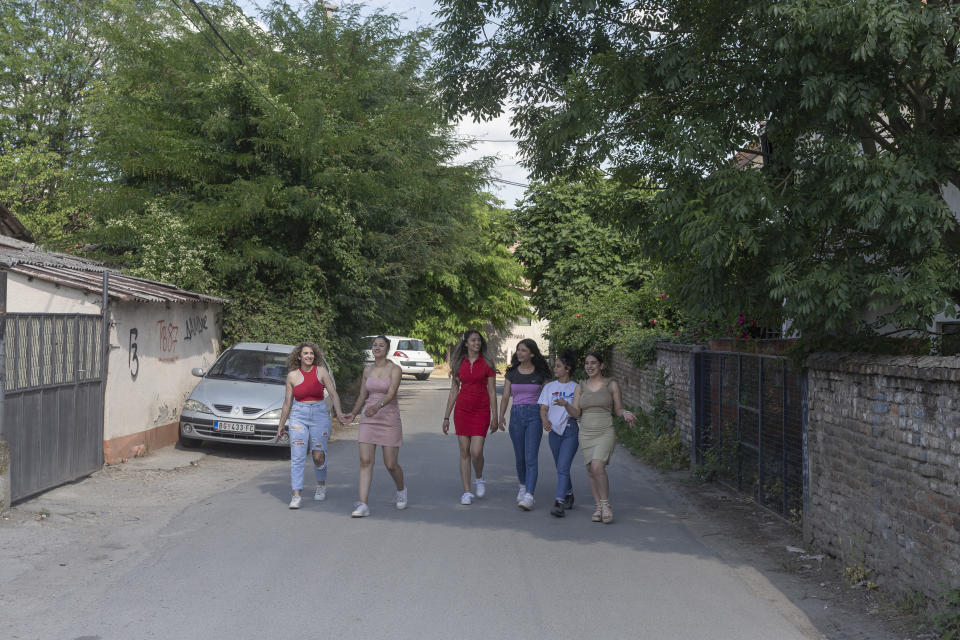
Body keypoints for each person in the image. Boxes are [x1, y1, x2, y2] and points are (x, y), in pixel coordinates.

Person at [565, 352, 636, 523]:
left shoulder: (611, 385)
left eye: (593, 363)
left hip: (605, 431)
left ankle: (605, 505)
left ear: (601, 366)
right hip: (586, 432)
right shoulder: (580, 387)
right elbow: (576, 413)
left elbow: (618, 409)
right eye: (586, 363)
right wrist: (566, 405)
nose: (589, 366)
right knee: (591, 470)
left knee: (598, 467)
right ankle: (598, 507)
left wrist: (625, 413)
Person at [276, 342, 346, 509]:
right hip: (298, 415)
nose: (309, 356)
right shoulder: (292, 376)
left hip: (319, 414)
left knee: (317, 455)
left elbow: (334, 394)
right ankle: (296, 495)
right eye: (305, 353)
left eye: (311, 353)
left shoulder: (321, 372)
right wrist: (281, 424)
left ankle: (321, 485)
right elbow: (287, 402)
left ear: (315, 356)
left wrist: (340, 414)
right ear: (299, 356)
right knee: (298, 456)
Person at [342, 336, 406, 518]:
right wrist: (353, 413)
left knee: (390, 464)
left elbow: (392, 393)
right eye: (374, 345)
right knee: (365, 461)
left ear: (387, 349)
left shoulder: (395, 369)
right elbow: (363, 395)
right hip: (368, 418)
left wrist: (376, 407)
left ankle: (401, 490)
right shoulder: (367, 370)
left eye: (381, 345)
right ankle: (363, 504)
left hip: (388, 417)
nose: (377, 348)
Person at [441, 329, 498, 505]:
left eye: (479, 341)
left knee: (476, 451)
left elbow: (492, 391)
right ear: (466, 343)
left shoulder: (488, 363)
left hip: (481, 411)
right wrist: (446, 417)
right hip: (462, 411)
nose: (477, 343)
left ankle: (479, 477)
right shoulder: (459, 364)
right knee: (464, 452)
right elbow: (453, 391)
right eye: (473, 340)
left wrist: (495, 416)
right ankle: (466, 491)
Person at [499, 339, 550, 510]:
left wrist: (548, 416)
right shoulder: (512, 373)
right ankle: (522, 486)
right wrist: (500, 416)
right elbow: (505, 397)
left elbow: (549, 394)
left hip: (534, 416)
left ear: (532, 354)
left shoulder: (540, 374)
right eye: (518, 350)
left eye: (523, 350)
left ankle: (529, 495)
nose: (519, 353)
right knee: (520, 457)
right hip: (516, 416)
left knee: (530, 457)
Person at [538, 350, 580, 517]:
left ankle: (559, 502)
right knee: (560, 466)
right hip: (554, 431)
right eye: (554, 365)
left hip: (570, 430)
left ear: (567, 368)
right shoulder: (550, 387)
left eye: (558, 366)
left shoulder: (576, 388)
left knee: (563, 466)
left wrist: (565, 405)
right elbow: (543, 408)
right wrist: (544, 421)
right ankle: (568, 493)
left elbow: (576, 412)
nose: (554, 368)